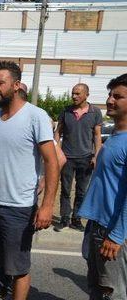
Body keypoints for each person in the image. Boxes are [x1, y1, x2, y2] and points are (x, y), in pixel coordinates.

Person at [57, 74, 127, 300]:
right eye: (111, 95)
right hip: (97, 225)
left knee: (115, 294)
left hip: (114, 231)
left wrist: (118, 234)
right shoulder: (116, 137)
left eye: (118, 96)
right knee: (97, 286)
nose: (110, 100)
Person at [0, 61, 59, 300]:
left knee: (17, 266)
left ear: (16, 85)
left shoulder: (36, 116)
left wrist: (48, 205)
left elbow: (52, 161)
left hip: (20, 208)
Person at [53, 83, 103, 232]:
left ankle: (76, 219)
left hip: (86, 158)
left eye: (78, 94)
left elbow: (97, 135)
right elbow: (57, 132)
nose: (74, 96)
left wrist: (96, 155)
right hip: (67, 158)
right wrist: (57, 151)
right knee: (66, 190)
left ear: (86, 95)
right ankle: (64, 219)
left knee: (82, 191)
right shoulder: (66, 111)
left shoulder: (95, 112)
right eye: (73, 93)